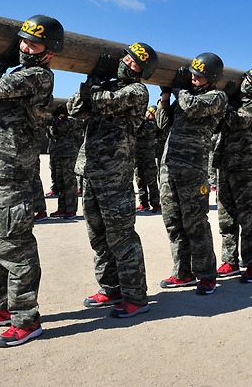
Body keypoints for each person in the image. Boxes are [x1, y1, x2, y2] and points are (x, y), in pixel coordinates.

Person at [0, 14, 62, 348]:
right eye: (23, 40)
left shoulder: (38, 76)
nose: (24, 47)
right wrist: (2, 67)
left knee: (15, 248)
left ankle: (26, 319)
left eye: (33, 44)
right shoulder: (20, 73)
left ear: (49, 52)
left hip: (11, 174)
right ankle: (3, 307)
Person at [69, 42, 157, 318]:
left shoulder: (137, 91)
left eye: (135, 64)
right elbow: (76, 109)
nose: (128, 65)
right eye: (127, 59)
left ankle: (135, 297)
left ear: (142, 72)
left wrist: (95, 80)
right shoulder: (106, 86)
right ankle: (111, 288)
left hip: (114, 175)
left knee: (121, 237)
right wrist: (92, 82)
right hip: (91, 171)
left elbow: (103, 102)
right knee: (97, 236)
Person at [156, 52, 227, 295]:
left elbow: (192, 106)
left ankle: (206, 276)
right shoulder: (184, 96)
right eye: (192, 73)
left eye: (199, 75)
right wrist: (165, 97)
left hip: (193, 171)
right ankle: (182, 273)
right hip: (169, 169)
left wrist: (178, 89)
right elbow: (163, 124)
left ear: (212, 78)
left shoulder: (217, 97)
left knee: (195, 224)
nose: (194, 77)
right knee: (174, 224)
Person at [213, 66, 252, 283]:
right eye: (248, 79)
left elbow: (237, 121)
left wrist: (224, 100)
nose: (249, 85)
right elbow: (216, 125)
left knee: (248, 219)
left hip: (245, 168)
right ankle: (230, 261)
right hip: (224, 166)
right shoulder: (235, 102)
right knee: (226, 219)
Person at [47, 104, 83, 219]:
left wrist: (55, 118)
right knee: (60, 183)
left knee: (69, 183)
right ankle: (62, 208)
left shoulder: (74, 120)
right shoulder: (60, 119)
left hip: (70, 154)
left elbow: (63, 126)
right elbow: (53, 134)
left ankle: (71, 210)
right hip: (59, 153)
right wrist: (52, 122)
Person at [134, 105, 161, 213]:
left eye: (152, 114)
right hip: (137, 156)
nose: (149, 115)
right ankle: (143, 203)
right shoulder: (143, 122)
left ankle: (155, 204)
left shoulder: (151, 125)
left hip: (148, 157)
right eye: (148, 112)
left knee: (151, 182)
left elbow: (138, 132)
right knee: (140, 181)